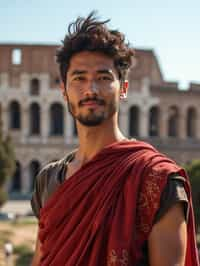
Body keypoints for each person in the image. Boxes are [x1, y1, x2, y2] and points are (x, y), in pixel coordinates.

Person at [31, 11, 199, 266]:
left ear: (123, 88)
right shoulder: (48, 180)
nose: (91, 89)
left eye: (104, 78)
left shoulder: (158, 179)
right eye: (79, 78)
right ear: (63, 90)